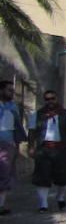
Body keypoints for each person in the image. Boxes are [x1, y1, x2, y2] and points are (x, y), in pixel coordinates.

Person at [28, 89, 66, 212]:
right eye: (47, 99)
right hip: (43, 149)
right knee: (42, 177)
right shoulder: (37, 115)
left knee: (65, 176)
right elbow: (31, 132)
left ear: (57, 99)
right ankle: (43, 204)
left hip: (61, 149)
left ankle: (60, 196)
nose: (50, 101)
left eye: (52, 98)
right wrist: (31, 147)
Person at [0, 80, 27, 215]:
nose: (12, 93)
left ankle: (1, 205)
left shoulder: (13, 107)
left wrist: (16, 144)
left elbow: (17, 126)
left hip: (8, 144)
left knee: (5, 174)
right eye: (9, 90)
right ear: (1, 90)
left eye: (13, 90)